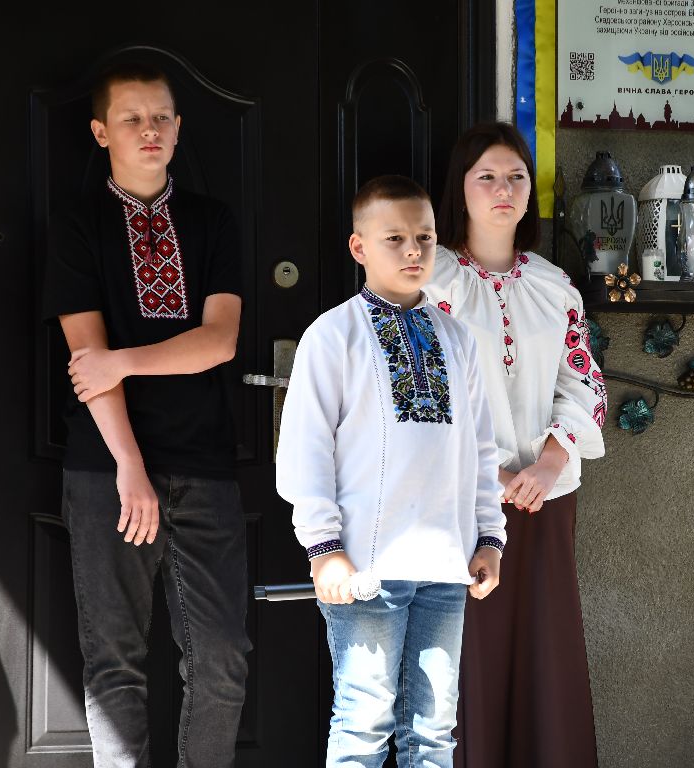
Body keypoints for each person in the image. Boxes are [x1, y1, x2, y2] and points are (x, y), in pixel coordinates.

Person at [41, 62, 250, 767]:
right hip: (107, 470)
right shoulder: (78, 224)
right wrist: (129, 464)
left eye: (161, 116)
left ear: (180, 127)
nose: (149, 130)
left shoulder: (212, 221)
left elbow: (218, 342)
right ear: (101, 132)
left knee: (222, 658)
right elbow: (86, 360)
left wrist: (124, 361)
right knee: (114, 663)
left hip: (205, 466)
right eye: (131, 118)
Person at [275, 175, 507, 768]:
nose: (413, 251)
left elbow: (481, 450)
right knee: (363, 725)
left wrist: (489, 537)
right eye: (395, 238)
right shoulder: (333, 335)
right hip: (365, 569)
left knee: (434, 732)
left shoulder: (458, 339)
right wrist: (324, 548)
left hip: (446, 568)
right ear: (359, 247)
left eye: (424, 238)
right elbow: (304, 451)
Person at [424, 122, 607, 768]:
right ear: (461, 188)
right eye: (487, 177)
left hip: (544, 500)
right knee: (470, 656)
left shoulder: (555, 286)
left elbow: (582, 380)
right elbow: (422, 393)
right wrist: (492, 477)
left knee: (544, 650)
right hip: (460, 502)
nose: (503, 190)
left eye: (516, 177)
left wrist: (553, 459)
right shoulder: (431, 281)